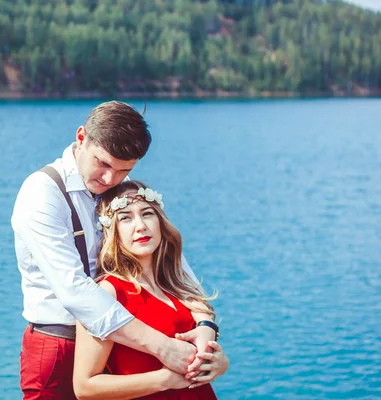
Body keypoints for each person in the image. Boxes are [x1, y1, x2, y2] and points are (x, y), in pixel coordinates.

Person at [12, 101, 228, 399]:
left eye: (124, 169)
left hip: (125, 348)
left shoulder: (119, 187)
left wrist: (205, 326)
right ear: (81, 137)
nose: (110, 179)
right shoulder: (42, 193)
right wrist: (163, 347)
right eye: (103, 163)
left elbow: (174, 270)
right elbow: (74, 290)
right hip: (60, 344)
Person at [73, 180, 225, 399]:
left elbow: (206, 352)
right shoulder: (106, 294)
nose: (140, 226)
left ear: (160, 222)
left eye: (147, 214)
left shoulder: (178, 287)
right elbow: (85, 387)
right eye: (125, 217)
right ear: (111, 230)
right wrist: (163, 380)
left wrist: (219, 364)